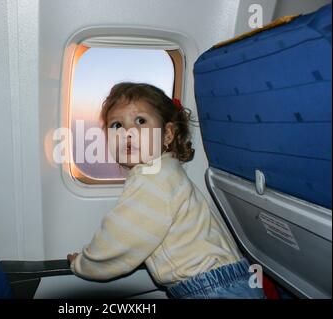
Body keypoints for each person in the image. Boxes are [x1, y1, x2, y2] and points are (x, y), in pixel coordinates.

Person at [67, 82, 265, 299]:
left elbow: (121, 237)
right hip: (226, 282)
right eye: (116, 125)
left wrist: (84, 263)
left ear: (167, 134)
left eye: (140, 121)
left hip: (213, 289)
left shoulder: (152, 177)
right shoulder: (165, 170)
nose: (128, 133)